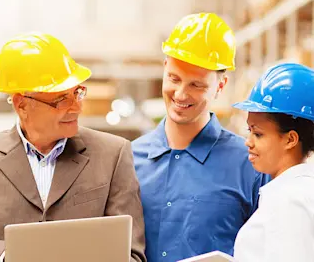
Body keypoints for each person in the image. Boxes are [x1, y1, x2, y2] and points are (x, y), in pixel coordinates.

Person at [0, 32, 147, 262]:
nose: (76, 108)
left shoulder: (113, 155)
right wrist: (13, 255)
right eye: (61, 99)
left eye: (77, 93)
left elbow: (132, 254)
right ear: (22, 105)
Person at [131, 13, 270, 261]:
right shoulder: (128, 160)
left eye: (196, 85)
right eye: (174, 79)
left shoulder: (251, 163)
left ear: (220, 85)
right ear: (164, 69)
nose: (181, 94)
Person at [233, 63, 314, 261]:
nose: (248, 142)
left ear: (290, 139)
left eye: (258, 134)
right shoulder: (297, 192)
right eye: (249, 131)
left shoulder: (290, 201)